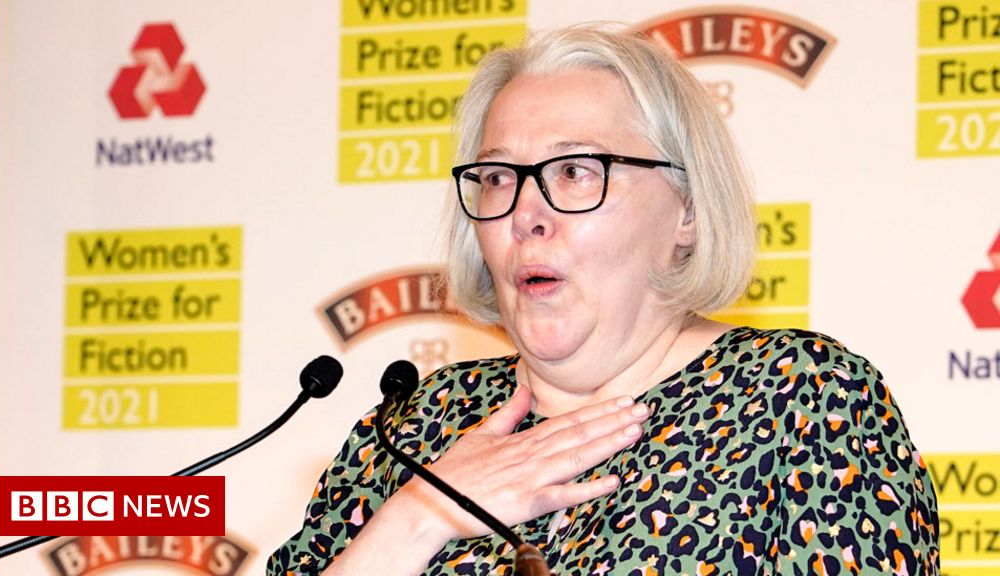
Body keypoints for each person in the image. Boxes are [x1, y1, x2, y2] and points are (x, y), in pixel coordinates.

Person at [268, 24, 940, 575]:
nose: (526, 214)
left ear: (687, 209)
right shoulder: (413, 427)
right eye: (498, 177)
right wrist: (418, 516)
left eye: (574, 171)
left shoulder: (803, 397)